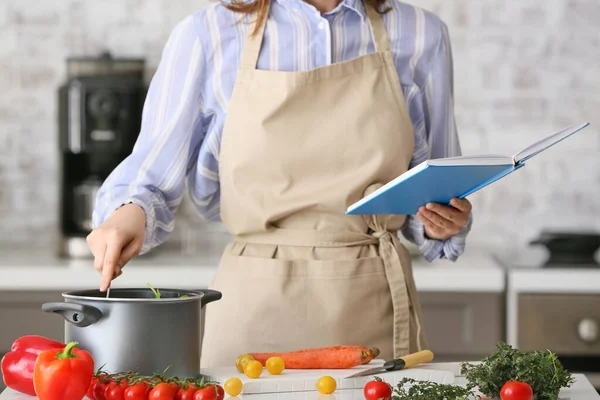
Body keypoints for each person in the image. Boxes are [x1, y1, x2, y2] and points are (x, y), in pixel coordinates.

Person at [89, 0, 473, 367]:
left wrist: (440, 223)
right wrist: (129, 212)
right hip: (252, 317)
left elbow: (435, 185)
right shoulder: (207, 34)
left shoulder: (421, 34)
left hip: (374, 311)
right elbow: (151, 174)